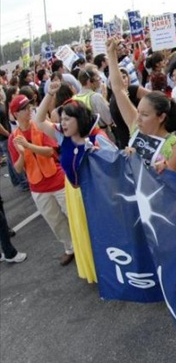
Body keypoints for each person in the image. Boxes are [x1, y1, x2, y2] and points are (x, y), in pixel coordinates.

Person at [35, 82, 111, 283]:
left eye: (68, 119)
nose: (64, 123)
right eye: (62, 119)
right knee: (83, 235)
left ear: (80, 120)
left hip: (94, 196)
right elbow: (39, 120)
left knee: (99, 233)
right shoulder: (62, 138)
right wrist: (49, 95)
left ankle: (109, 271)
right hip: (73, 192)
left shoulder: (98, 139)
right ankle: (95, 272)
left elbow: (115, 166)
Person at [7, 94, 74, 265]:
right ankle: (70, 247)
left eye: (29, 106)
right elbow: (17, 168)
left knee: (73, 215)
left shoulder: (40, 125)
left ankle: (86, 244)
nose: (29, 110)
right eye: (24, 108)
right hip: (38, 187)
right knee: (56, 222)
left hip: (57, 179)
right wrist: (22, 153)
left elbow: (50, 151)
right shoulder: (12, 138)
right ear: (15, 114)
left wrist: (28, 146)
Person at [106, 37, 176, 171]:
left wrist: (138, 161)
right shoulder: (136, 128)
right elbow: (118, 90)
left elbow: (169, 185)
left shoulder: (174, 147)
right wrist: (111, 55)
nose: (138, 118)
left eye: (145, 114)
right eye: (139, 112)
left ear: (161, 117)